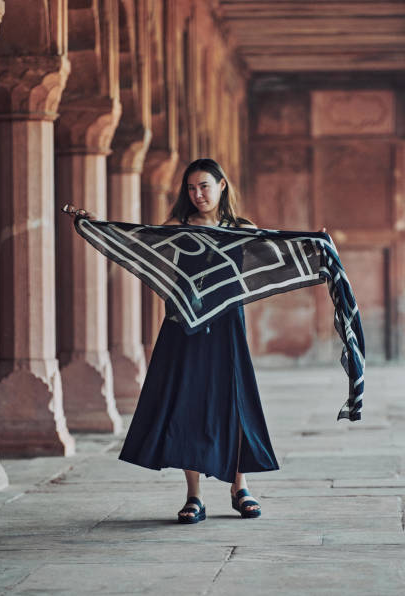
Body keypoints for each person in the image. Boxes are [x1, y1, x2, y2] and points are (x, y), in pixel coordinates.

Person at [63, 158, 326, 525]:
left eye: (204, 186)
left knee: (232, 401)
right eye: (191, 188)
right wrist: (97, 227)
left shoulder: (241, 228)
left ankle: (240, 487)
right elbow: (138, 245)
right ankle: (194, 496)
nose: (197, 194)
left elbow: (276, 254)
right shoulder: (176, 228)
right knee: (188, 403)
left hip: (226, 325)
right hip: (183, 324)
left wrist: (315, 244)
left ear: (222, 186)